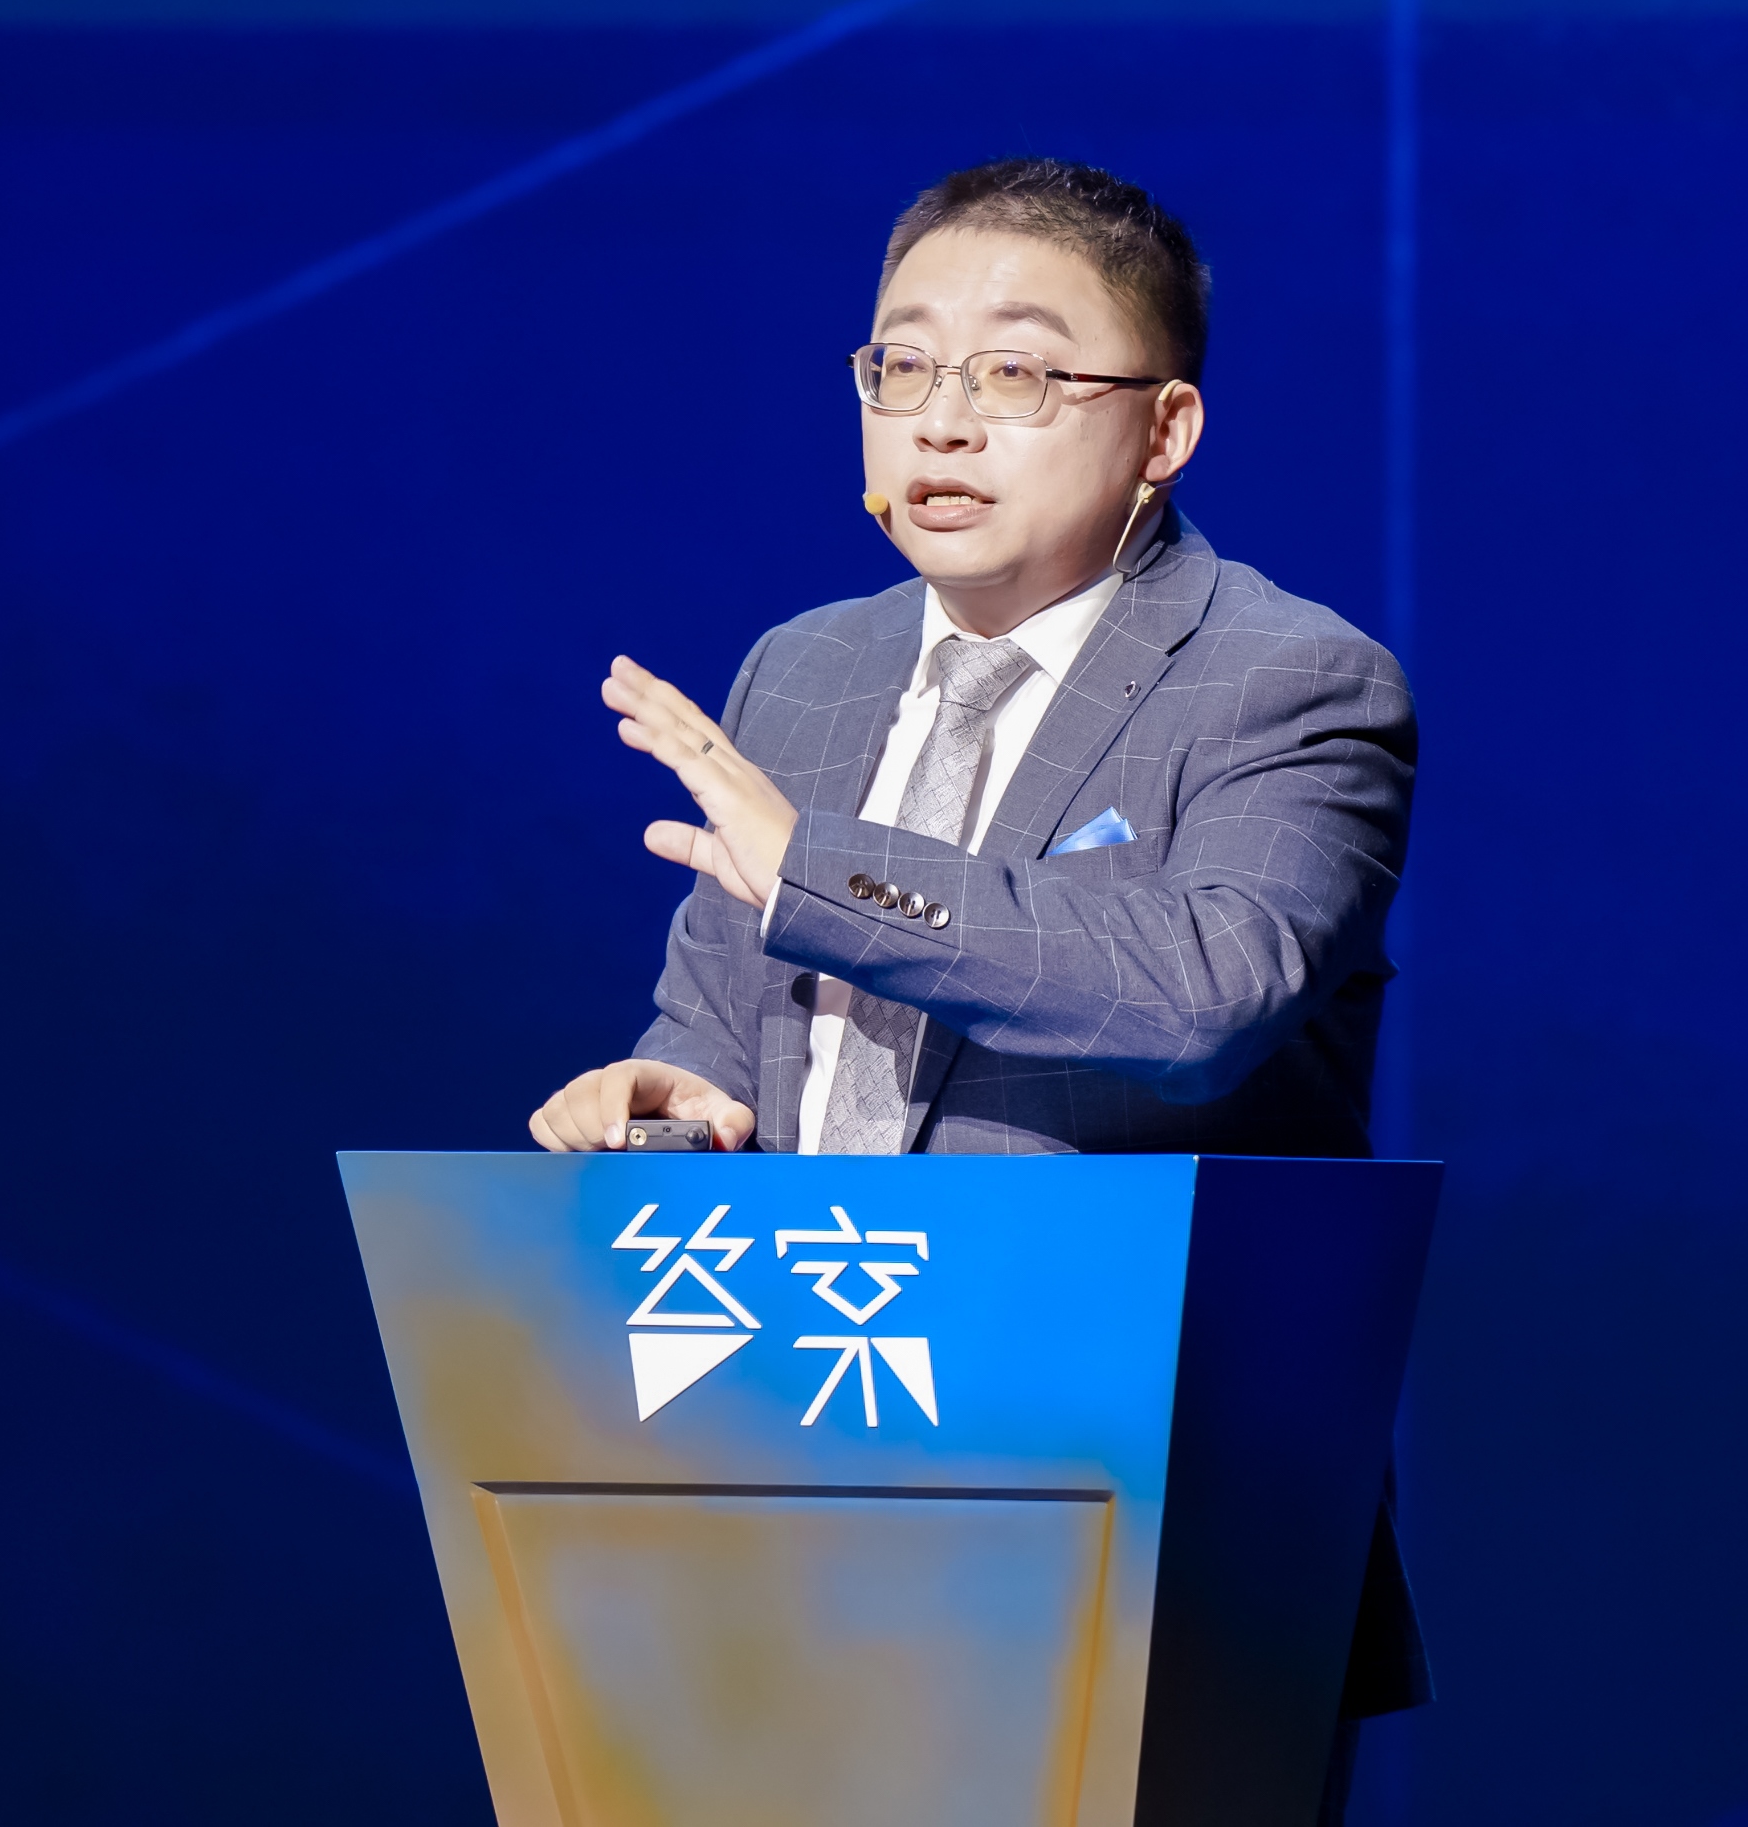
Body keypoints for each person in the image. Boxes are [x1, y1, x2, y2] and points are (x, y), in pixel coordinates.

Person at [527, 156, 1426, 1820]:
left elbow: (1203, 990)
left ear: (1163, 429)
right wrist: (672, 1099)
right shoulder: (806, 669)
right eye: (903, 364)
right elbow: (719, 1023)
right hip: (782, 1485)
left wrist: (826, 872)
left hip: (1137, 1523)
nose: (941, 421)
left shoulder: (1289, 681)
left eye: (1014, 370)